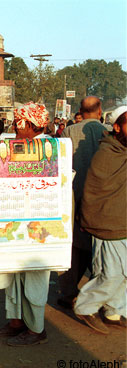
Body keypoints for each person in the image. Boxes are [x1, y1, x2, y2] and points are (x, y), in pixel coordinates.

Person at [0, 102, 52, 346]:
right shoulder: (17, 147)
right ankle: (16, 323)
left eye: (18, 123)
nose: (14, 127)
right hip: (14, 221)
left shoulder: (52, 149)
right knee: (13, 275)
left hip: (39, 226)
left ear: (32, 125)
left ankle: (36, 330)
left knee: (34, 278)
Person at [74, 106, 127, 333]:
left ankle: (114, 311)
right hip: (108, 223)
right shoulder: (107, 153)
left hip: (122, 221)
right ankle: (85, 306)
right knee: (112, 273)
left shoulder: (122, 151)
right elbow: (96, 192)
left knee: (124, 273)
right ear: (116, 127)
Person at [58, 96, 108, 309]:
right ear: (100, 111)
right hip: (102, 198)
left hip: (74, 195)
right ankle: (100, 296)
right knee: (99, 247)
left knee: (74, 246)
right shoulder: (107, 132)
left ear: (80, 111)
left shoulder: (70, 131)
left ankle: (68, 292)